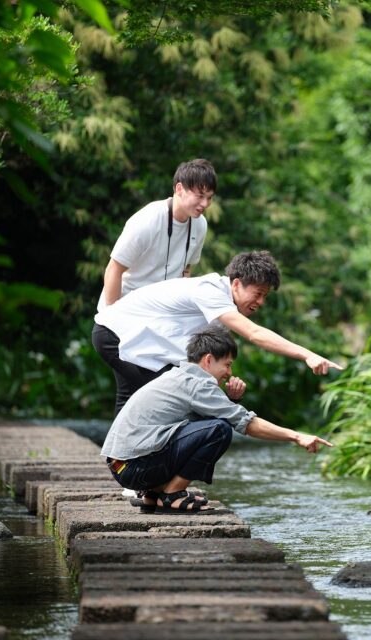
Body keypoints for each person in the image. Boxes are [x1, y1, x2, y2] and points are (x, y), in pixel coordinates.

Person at [101, 326, 332, 513]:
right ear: (208, 360)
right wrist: (296, 436)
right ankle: (171, 495)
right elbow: (246, 423)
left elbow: (193, 422)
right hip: (136, 467)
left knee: (211, 426)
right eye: (228, 364)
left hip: (124, 467)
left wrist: (229, 399)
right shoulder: (198, 384)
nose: (229, 372)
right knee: (220, 430)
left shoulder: (180, 375)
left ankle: (155, 493)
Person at [92, 250, 342, 415]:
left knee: (142, 399)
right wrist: (307, 355)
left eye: (265, 296)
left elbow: (208, 364)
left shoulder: (222, 312)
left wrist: (230, 392)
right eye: (258, 294)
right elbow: (254, 334)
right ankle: (144, 478)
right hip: (114, 334)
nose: (261, 302)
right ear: (236, 284)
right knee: (169, 400)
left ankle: (135, 476)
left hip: (131, 340)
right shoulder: (212, 292)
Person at [98, 158, 216, 311]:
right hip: (124, 309)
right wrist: (112, 315)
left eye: (209, 197)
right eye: (200, 196)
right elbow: (114, 269)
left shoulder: (200, 224)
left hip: (161, 315)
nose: (205, 204)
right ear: (179, 189)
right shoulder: (148, 219)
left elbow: (186, 270)